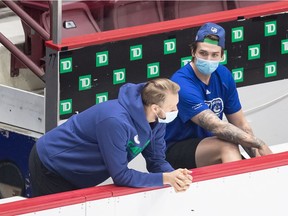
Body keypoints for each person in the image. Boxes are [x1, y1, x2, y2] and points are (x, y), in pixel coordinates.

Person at [29, 78, 192, 197]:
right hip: (51, 164)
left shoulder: (158, 121)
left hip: (78, 173)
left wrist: (175, 176)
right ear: (156, 108)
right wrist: (165, 178)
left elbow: (156, 161)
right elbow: (121, 175)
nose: (176, 110)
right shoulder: (115, 121)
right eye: (173, 107)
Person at [165, 22, 273, 169]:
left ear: (222, 55)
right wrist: (258, 143)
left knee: (241, 156)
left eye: (214, 54)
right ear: (193, 52)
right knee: (227, 145)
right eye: (203, 53)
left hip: (210, 145)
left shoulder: (224, 75)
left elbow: (240, 124)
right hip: (174, 150)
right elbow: (216, 126)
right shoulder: (181, 83)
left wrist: (259, 157)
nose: (208, 59)